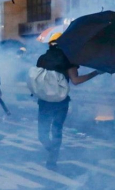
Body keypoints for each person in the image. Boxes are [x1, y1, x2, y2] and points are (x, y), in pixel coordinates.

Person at [35, 33, 102, 170]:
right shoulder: (69, 59)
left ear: (49, 44)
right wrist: (95, 73)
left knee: (42, 133)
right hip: (61, 102)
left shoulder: (41, 59)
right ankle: (52, 159)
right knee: (57, 130)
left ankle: (51, 150)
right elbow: (76, 81)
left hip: (44, 101)